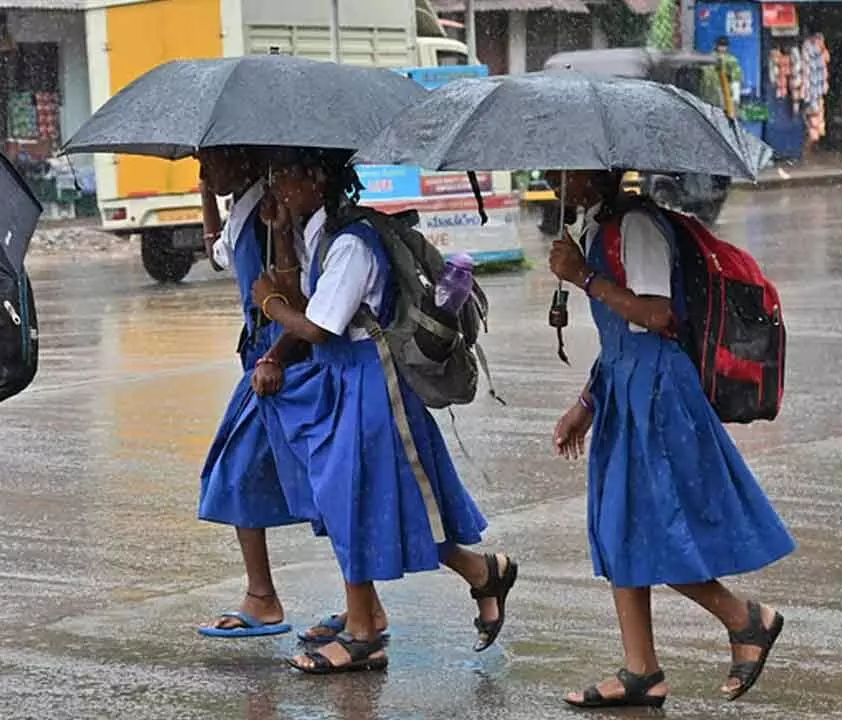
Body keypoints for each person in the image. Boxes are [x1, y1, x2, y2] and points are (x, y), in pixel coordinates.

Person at [250, 149, 518, 674]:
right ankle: (482, 573)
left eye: (285, 175)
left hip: (371, 381)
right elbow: (306, 299)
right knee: (372, 503)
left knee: (354, 501)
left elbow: (319, 325)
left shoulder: (352, 243)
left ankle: (364, 634)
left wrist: (268, 304)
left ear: (318, 178)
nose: (276, 185)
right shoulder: (320, 233)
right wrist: (280, 235)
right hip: (341, 376)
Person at [546, 170, 796, 708]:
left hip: (658, 396)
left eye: (566, 169)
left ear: (602, 171)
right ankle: (642, 671)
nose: (552, 176)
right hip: (623, 389)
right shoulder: (597, 227)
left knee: (649, 528)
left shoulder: (637, 226)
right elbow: (618, 338)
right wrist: (585, 405)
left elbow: (657, 315)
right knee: (617, 530)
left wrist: (584, 277)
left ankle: (746, 619)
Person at [197, 146, 311, 638]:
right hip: (262, 361)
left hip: (281, 362)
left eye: (210, 161)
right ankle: (267, 595)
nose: (203, 172)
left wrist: (276, 357)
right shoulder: (243, 208)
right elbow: (217, 254)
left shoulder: (270, 211)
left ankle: (265, 597)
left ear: (242, 157)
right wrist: (206, 196)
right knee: (306, 481)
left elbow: (300, 297)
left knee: (243, 472)